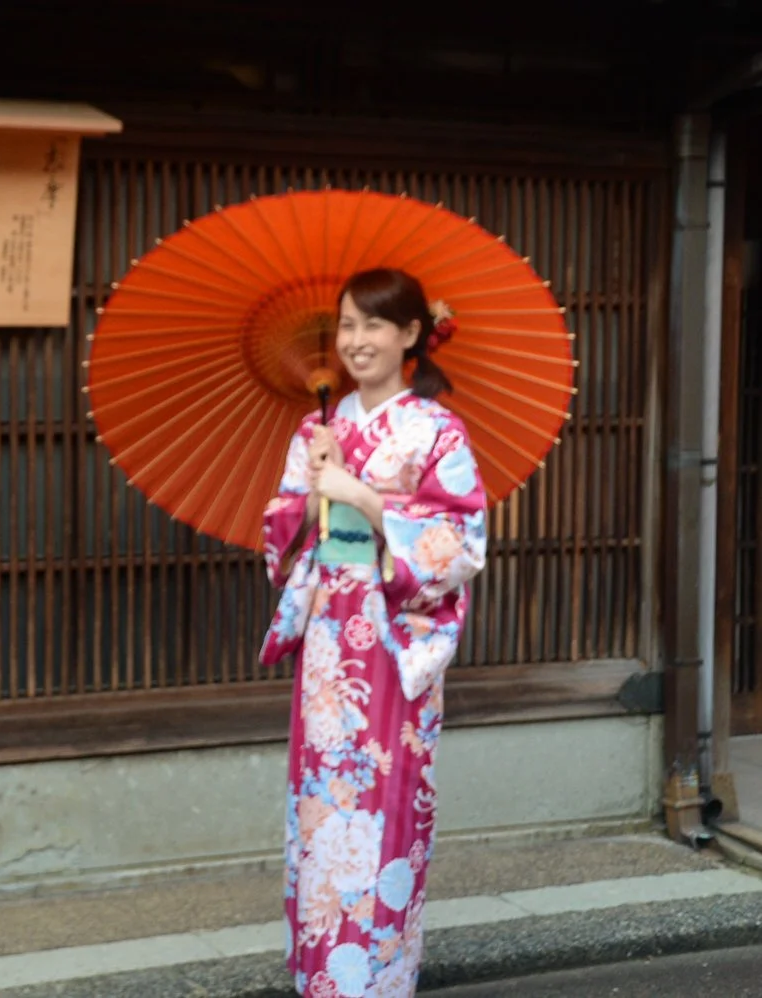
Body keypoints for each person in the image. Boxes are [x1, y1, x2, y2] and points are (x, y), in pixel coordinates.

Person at [259, 268, 488, 997]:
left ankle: (378, 981)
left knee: (385, 802)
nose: (356, 341)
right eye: (347, 325)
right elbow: (282, 530)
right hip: (330, 638)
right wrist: (304, 498)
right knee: (323, 805)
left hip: (395, 640)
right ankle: (324, 972)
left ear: (411, 335)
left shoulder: (436, 430)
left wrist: (363, 497)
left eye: (373, 326)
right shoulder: (318, 428)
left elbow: (464, 540)